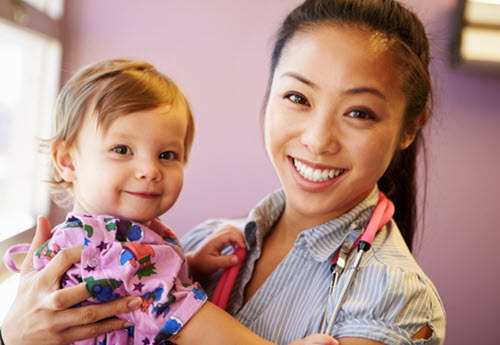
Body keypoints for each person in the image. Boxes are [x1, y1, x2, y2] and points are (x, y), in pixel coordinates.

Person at [2, 0, 447, 344]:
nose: (318, 139)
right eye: (297, 97)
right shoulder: (210, 239)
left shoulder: (394, 299)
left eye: (359, 112)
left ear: (409, 128)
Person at [2, 59, 335, 345]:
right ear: (68, 160)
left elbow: (137, 290)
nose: (149, 170)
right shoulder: (103, 247)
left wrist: (192, 265)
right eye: (122, 150)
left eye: (167, 155)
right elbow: (185, 319)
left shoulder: (117, 234)